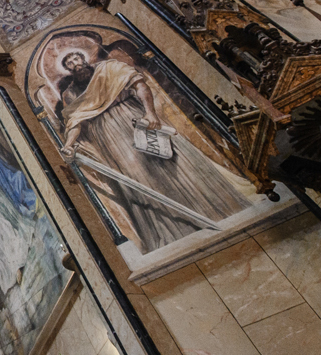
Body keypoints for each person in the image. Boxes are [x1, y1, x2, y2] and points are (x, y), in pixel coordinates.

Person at [56, 49, 250, 253]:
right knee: (137, 174)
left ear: (83, 58)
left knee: (173, 160)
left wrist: (150, 113)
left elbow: (140, 85)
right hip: (109, 135)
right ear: (68, 69)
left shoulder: (110, 67)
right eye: (69, 63)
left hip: (134, 116)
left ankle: (216, 208)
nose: (75, 64)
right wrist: (69, 144)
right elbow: (75, 122)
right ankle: (173, 230)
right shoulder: (70, 94)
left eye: (76, 58)